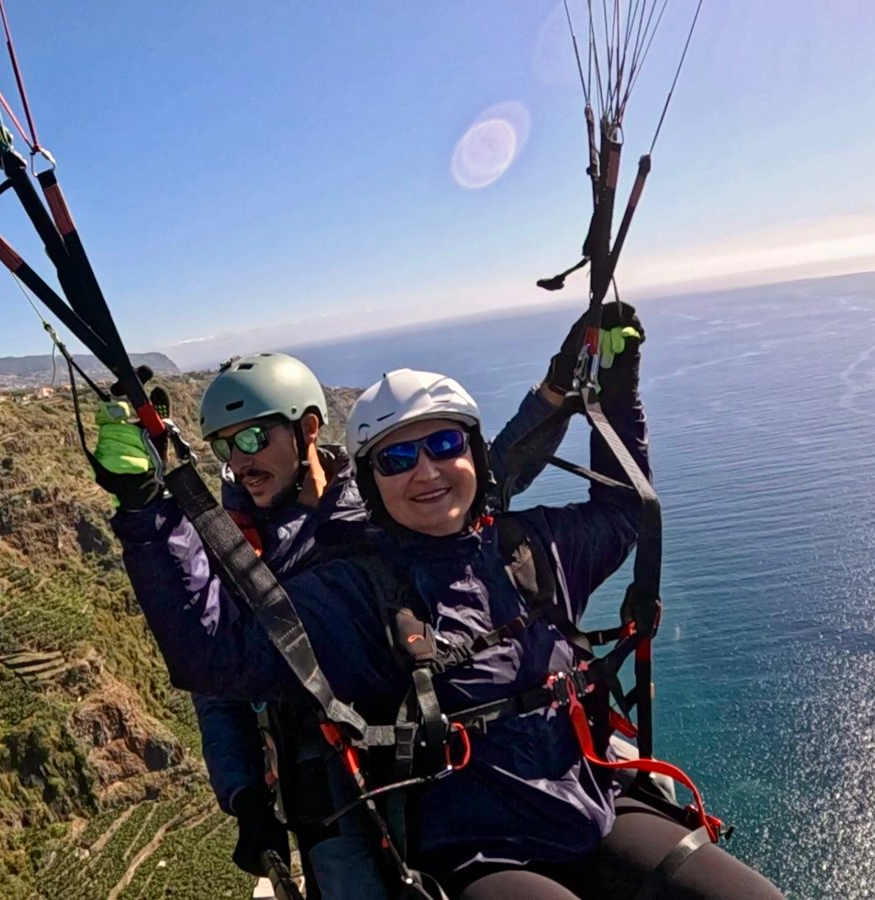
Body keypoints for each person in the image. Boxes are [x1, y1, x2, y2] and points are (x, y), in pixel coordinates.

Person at [94, 305, 785, 898]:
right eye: (397, 461)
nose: (423, 472)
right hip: (452, 820)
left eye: (444, 445)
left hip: (584, 795)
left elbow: (560, 489)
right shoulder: (321, 579)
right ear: (377, 478)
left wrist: (603, 392)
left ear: (306, 429)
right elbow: (217, 664)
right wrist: (146, 509)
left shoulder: (518, 545)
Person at [93, 351, 573, 898]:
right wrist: (246, 794)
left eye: (252, 438)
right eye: (224, 448)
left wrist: (554, 395)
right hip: (323, 755)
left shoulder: (377, 494)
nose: (240, 462)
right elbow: (217, 677)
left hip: (422, 728)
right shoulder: (234, 548)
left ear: (309, 430)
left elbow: (488, 477)